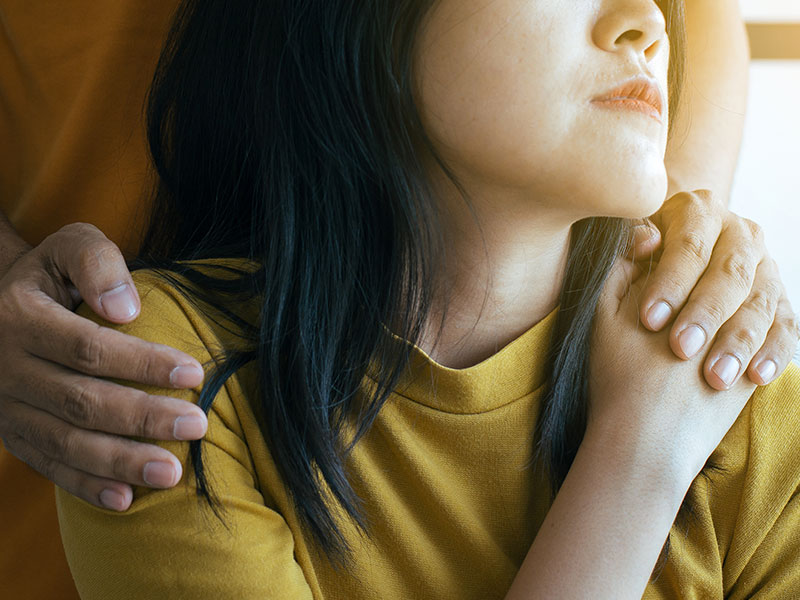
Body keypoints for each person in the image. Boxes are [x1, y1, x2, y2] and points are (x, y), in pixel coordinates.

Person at [0, 0, 795, 597]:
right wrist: (639, 464)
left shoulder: (739, 393)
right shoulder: (172, 383)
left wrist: (673, 272)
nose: (647, 25)